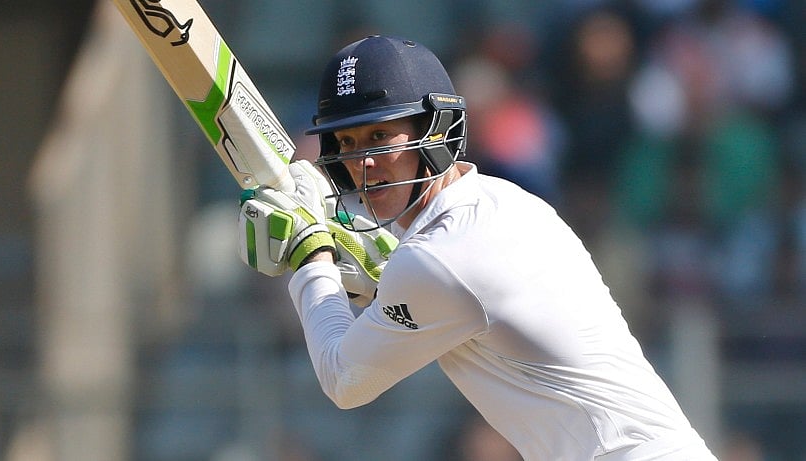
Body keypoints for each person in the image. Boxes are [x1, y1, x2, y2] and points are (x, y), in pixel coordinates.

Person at [237, 35, 717, 460]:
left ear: (437, 129)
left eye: (380, 136)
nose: (363, 162)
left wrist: (311, 256)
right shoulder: (505, 203)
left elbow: (345, 380)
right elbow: (437, 289)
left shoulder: (441, 258)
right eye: (347, 142)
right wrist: (360, 264)